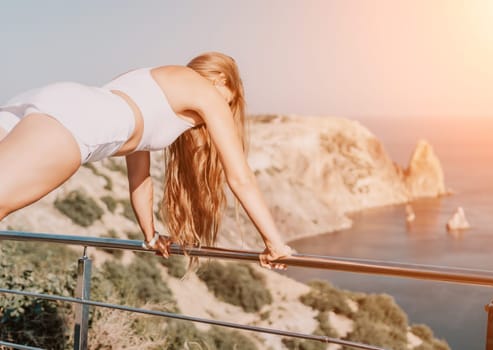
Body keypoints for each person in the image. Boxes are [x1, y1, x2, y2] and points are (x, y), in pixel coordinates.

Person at [0, 52, 292, 270]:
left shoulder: (148, 80)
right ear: (220, 80)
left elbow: (139, 178)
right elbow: (240, 177)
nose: (213, 116)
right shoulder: (206, 92)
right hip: (75, 123)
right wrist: (275, 243)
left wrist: (150, 235)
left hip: (49, 100)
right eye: (228, 101)